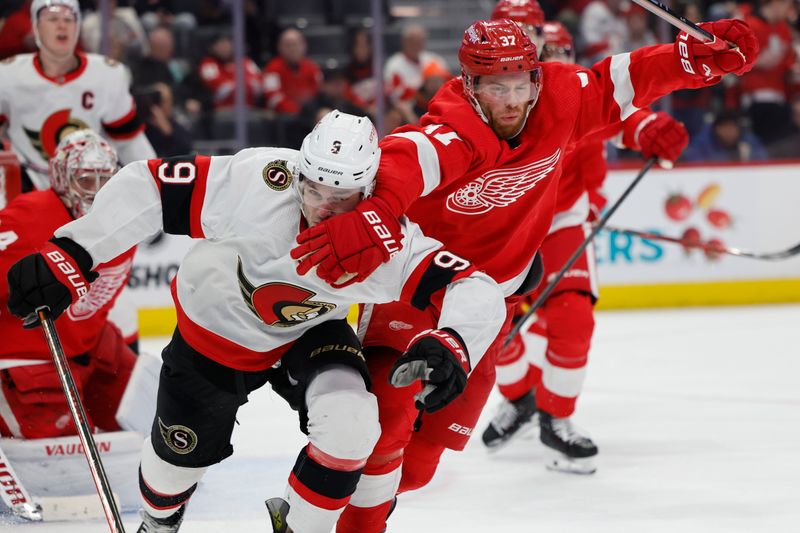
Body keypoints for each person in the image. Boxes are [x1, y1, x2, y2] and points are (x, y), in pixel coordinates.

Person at [287, 17, 759, 533]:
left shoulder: (559, 95)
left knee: (419, 469)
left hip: (486, 311)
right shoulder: (455, 125)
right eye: (495, 88)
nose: (511, 101)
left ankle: (339, 503)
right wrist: (372, 214)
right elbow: (408, 157)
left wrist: (692, 59)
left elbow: (615, 82)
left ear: (536, 78)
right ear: (470, 85)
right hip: (416, 294)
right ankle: (320, 516)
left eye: (520, 85)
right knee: (385, 432)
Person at [5, 111, 506, 533]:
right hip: (213, 338)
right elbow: (151, 185)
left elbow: (474, 285)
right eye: (312, 188)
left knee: (354, 423)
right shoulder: (260, 180)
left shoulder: (384, 239)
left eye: (342, 198)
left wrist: (455, 339)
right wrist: (75, 249)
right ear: (299, 171)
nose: (321, 208)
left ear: (371, 191)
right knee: (170, 475)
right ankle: (158, 522)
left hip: (309, 334)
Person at [481, 21, 689, 475]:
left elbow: (616, 116)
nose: (556, 61)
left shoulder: (569, 95)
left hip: (560, 219)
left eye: (561, 52)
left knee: (572, 316)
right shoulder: (493, 100)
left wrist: (651, 127)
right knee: (490, 326)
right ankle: (520, 399)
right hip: (504, 223)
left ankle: (557, 419)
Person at [0, 129, 137, 440]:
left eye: (106, 179)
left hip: (88, 350)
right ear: (63, 179)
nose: (97, 192)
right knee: (69, 448)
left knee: (160, 420)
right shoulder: (27, 218)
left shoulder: (126, 219)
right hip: (28, 361)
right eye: (86, 180)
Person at [0, 0, 156, 201]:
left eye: (68, 19)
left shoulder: (108, 74)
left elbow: (130, 141)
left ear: (78, 26)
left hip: (92, 185)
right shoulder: (8, 74)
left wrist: (156, 184)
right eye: (53, 18)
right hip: (30, 185)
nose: (62, 25)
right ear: (36, 26)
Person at [263, 28, 322, 115]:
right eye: (288, 45)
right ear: (279, 47)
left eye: (295, 44)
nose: (292, 49)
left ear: (304, 46)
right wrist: (298, 112)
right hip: (282, 118)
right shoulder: (272, 69)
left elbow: (317, 93)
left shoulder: (312, 67)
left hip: (308, 115)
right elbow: (273, 97)